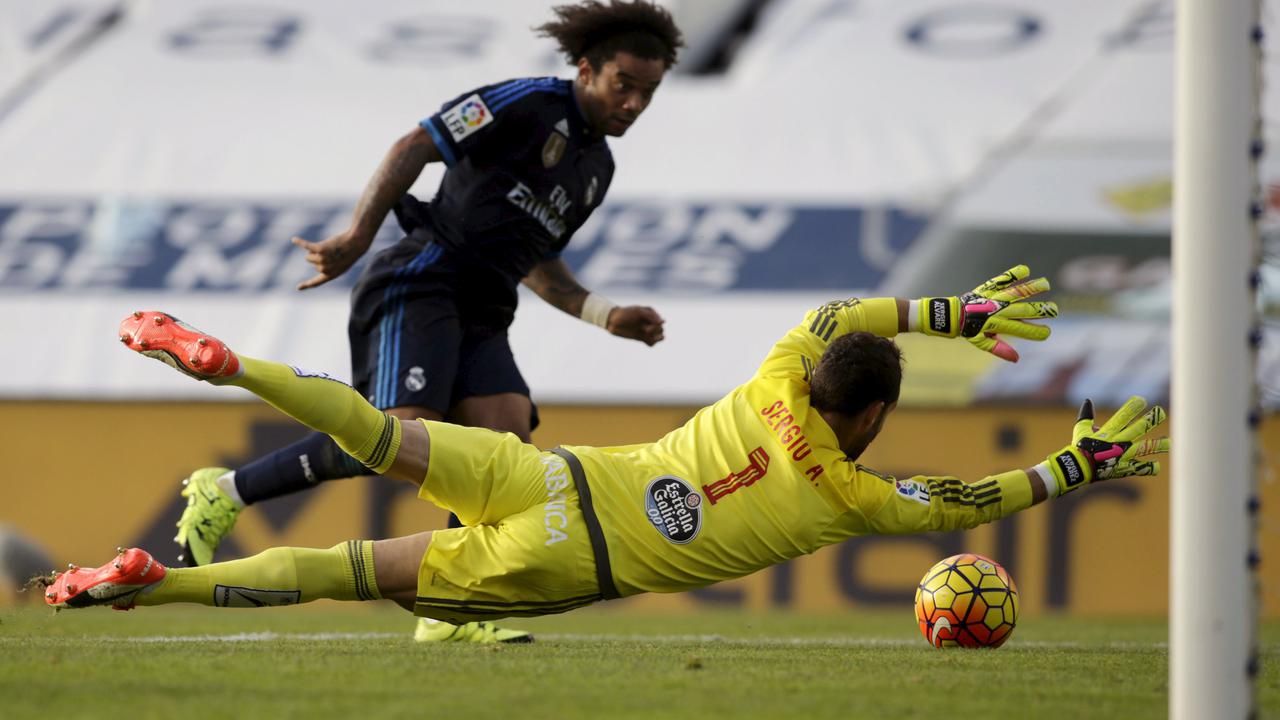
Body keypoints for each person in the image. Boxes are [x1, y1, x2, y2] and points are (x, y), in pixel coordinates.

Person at [47, 266, 1169, 624]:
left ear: (818, 378)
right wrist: (1071, 467)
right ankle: (157, 586)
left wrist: (947, 314)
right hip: (562, 555)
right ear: (871, 417)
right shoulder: (851, 496)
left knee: (382, 432)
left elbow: (839, 311)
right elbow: (965, 498)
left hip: (552, 471)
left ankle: (232, 363)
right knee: (348, 572)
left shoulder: (779, 370)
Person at [170, 1, 683, 643]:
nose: (634, 103)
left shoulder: (596, 169)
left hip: (486, 309)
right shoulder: (525, 101)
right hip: (423, 280)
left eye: (648, 92)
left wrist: (607, 316)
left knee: (503, 446)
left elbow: (538, 260)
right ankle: (227, 490)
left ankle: (449, 610)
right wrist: (359, 235)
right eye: (623, 85)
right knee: (403, 439)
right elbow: (415, 143)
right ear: (586, 69)